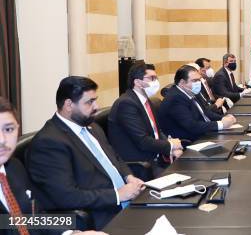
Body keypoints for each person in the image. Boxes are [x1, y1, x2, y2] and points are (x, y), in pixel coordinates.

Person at [27, 77, 144, 230]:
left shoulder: (92, 126)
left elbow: (115, 158)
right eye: (89, 102)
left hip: (129, 202)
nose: (96, 106)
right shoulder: (48, 142)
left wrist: (129, 177)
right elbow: (67, 196)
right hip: (99, 217)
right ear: (69, 105)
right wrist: (117, 195)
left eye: (95, 100)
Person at [0, 98, 107, 235]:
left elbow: (34, 219)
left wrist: (71, 234)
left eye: (8, 129)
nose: (2, 140)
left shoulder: (14, 167)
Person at [108, 62, 183, 180]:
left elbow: (157, 132)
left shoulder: (146, 100)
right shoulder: (126, 104)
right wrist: (170, 145)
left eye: (156, 78)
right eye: (151, 78)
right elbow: (142, 141)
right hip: (141, 165)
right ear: (137, 82)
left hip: (156, 158)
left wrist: (172, 148)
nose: (155, 82)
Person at [159, 65, 236, 142]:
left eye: (199, 80)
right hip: (189, 140)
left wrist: (223, 118)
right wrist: (221, 124)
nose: (199, 83)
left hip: (203, 133)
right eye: (195, 81)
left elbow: (205, 112)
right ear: (182, 82)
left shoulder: (191, 91)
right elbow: (192, 126)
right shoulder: (175, 98)